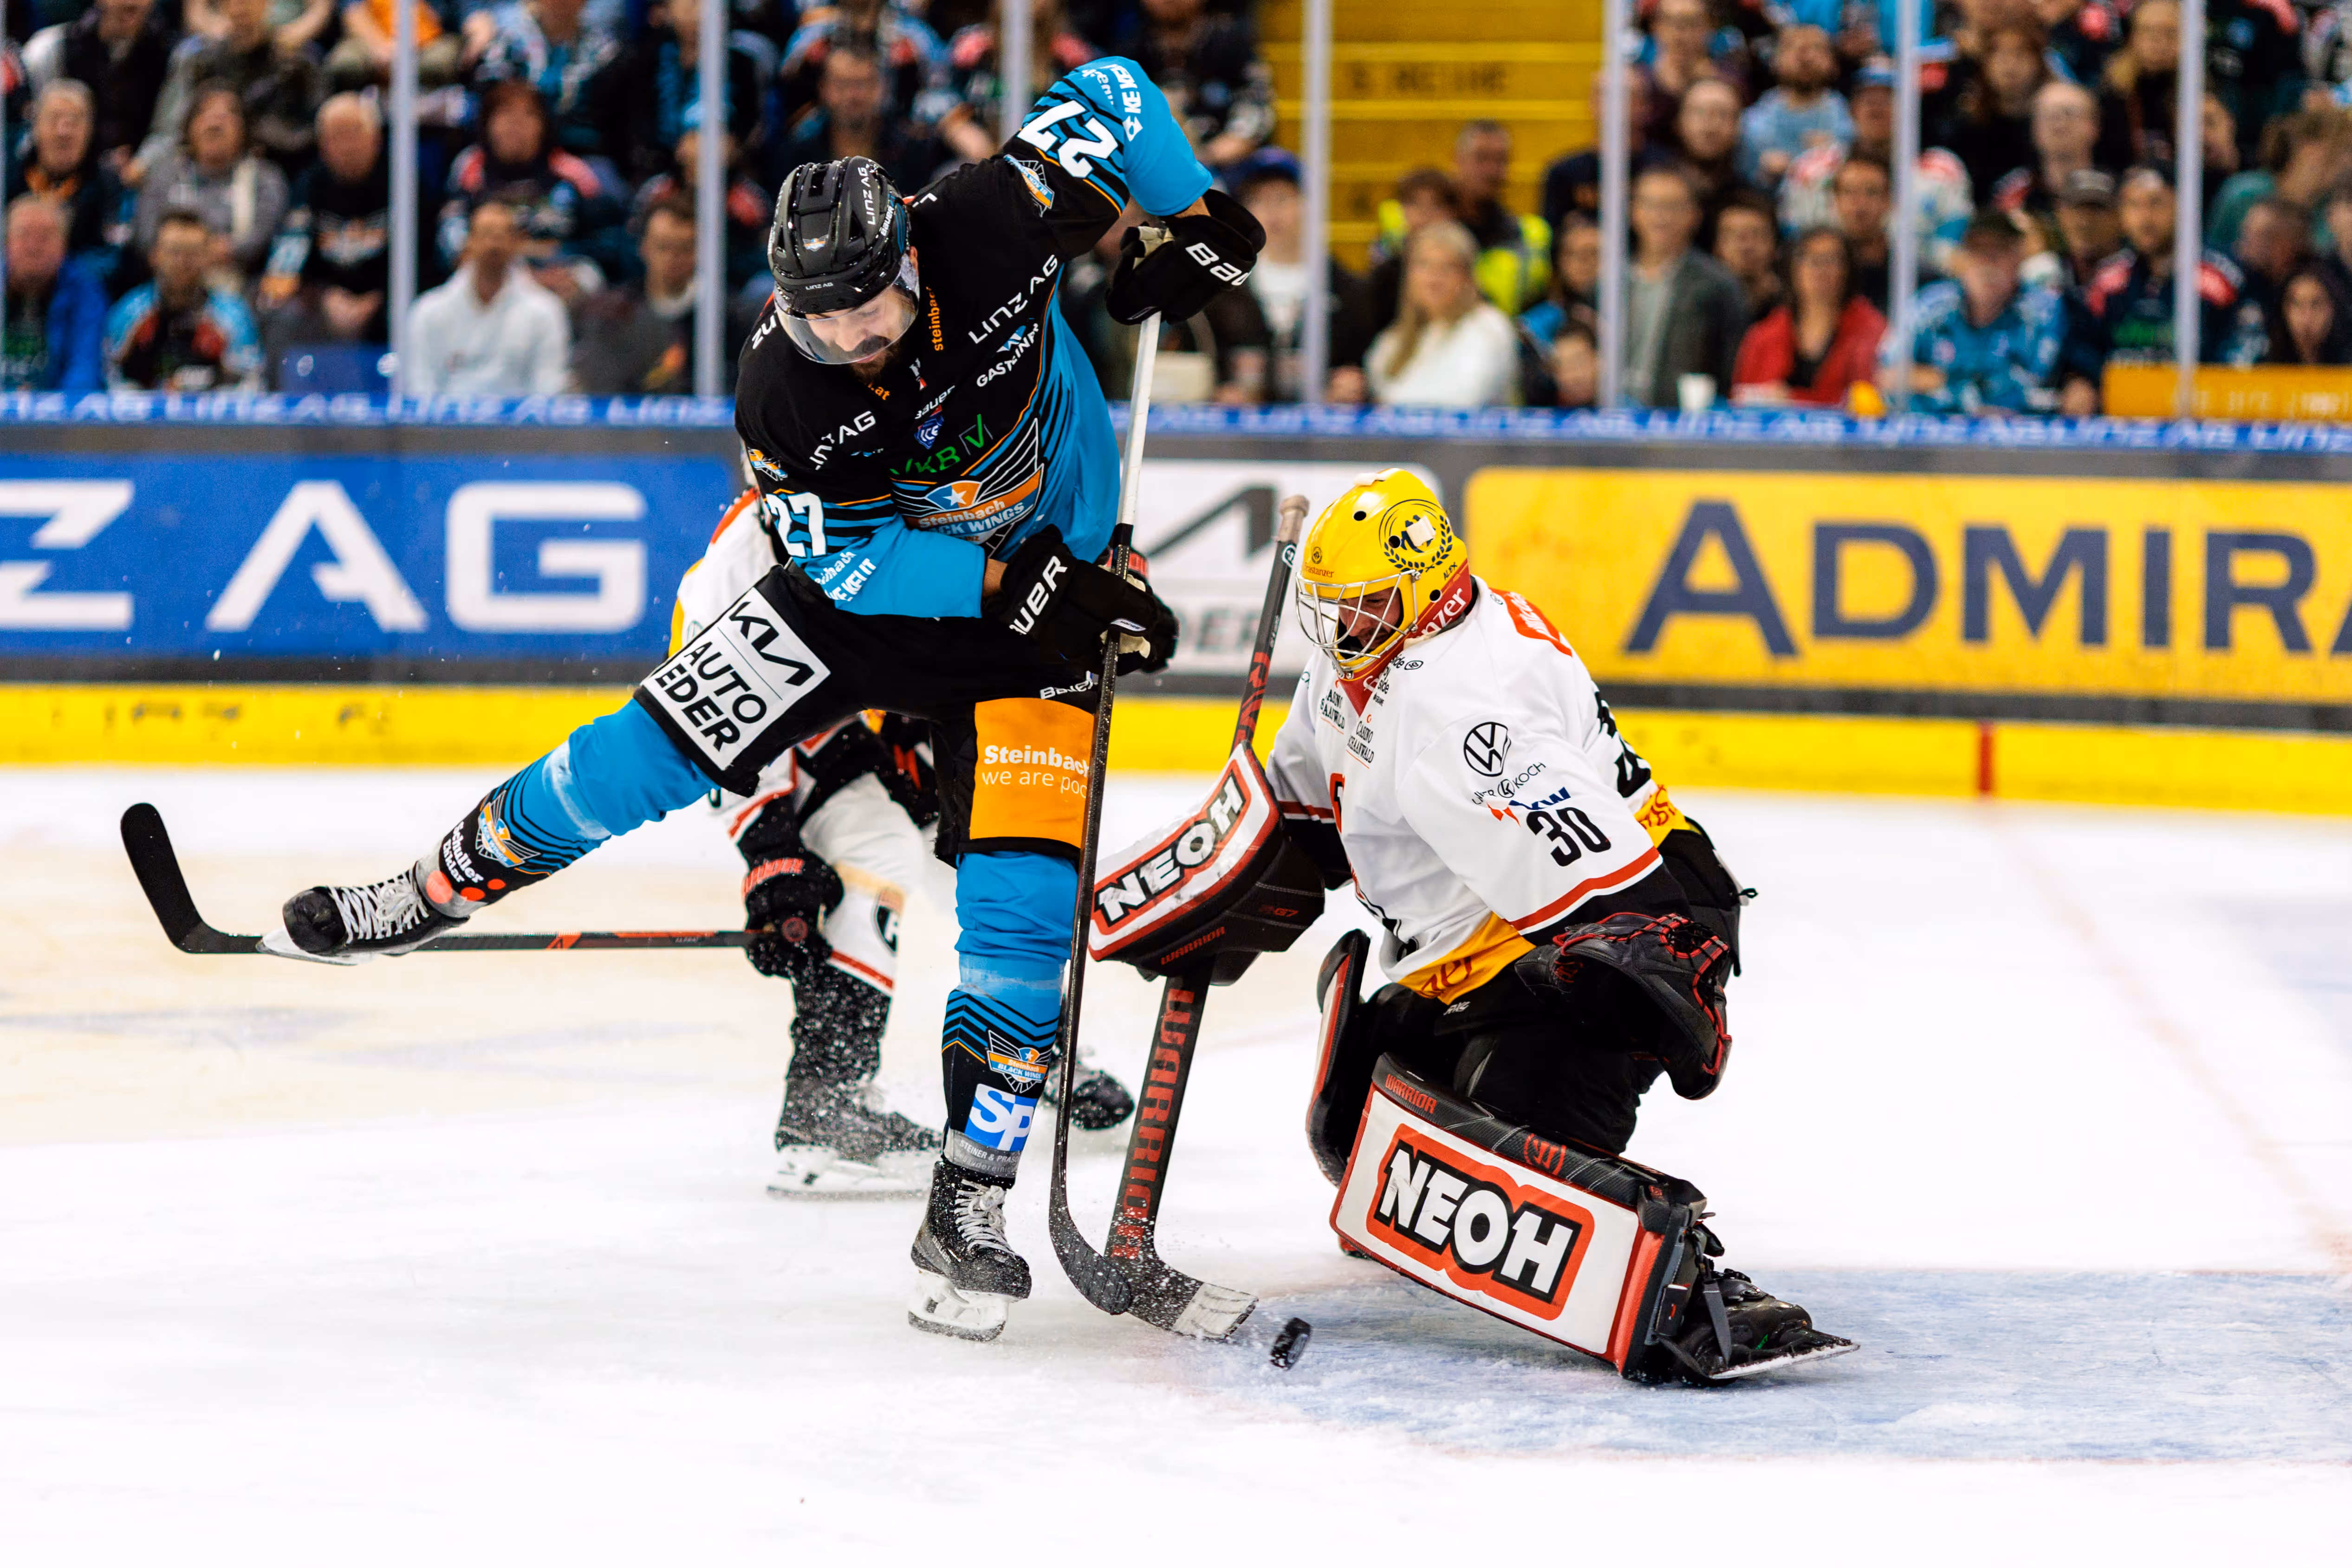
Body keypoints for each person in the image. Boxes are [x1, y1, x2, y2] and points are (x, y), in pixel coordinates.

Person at [268, 59, 1254, 1345]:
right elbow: (853, 563)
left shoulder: (992, 218)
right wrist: (1024, 585)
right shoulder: (783, 394)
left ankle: (966, 1199)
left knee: (1022, 912)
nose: (853, 344)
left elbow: (1119, 96)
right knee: (643, 754)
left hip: (1040, 609)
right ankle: (433, 890)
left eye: (869, 312)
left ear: (910, 253)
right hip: (888, 604)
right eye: (821, 324)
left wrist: (1196, 215)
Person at [1273, 469, 1852, 1385]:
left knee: (1498, 1157)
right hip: (1480, 945)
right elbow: (1294, 823)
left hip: (1615, 922)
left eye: (1368, 605)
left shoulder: (1466, 695)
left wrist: (1647, 982)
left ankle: (1679, 1280)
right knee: (1359, 1140)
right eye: (1335, 608)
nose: (1346, 628)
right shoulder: (1360, 667)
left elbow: (1609, 872)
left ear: (1425, 594)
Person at [2059, 165, 2270, 413]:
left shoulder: (2222, 280)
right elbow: (2083, 350)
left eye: (2156, 204)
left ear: (2184, 206)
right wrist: (2079, 381)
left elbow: (2243, 358)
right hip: (2121, 427)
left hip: (2200, 426)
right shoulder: (2107, 283)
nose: (2145, 218)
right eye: (2134, 206)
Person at [440, 79, 629, 306]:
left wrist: (572, 273)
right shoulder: (470, 169)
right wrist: (521, 278)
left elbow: (607, 244)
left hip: (561, 284)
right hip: (490, 283)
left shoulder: (574, 174)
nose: (515, 124)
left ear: (544, 125)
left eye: (528, 115)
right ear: (487, 124)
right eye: (505, 114)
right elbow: (451, 241)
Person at [1780, 57, 1974, 275]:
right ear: (1852, 109)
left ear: (1909, 110)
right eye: (1867, 98)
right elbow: (1794, 243)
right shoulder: (1810, 170)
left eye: (1888, 98)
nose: (1876, 106)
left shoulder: (1943, 171)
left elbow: (1952, 252)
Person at [1230, 147, 1376, 404]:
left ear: (1308, 205)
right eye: (1259, 200)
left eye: (1283, 198)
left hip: (1325, 435)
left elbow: (1365, 363)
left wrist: (1353, 386)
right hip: (1242, 437)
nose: (1272, 212)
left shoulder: (1347, 289)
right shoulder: (1224, 289)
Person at [259, 93, 392, 368]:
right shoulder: (307, 187)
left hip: (386, 296)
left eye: (355, 133)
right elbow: (288, 258)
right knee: (278, 312)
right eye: (336, 136)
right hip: (326, 299)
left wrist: (378, 298)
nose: (347, 145)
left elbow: (424, 256)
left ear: (376, 139)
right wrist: (324, 296)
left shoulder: (404, 182)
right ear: (322, 145)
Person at [1887, 211, 2065, 416]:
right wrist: (1967, 386)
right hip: (1933, 440)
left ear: (2018, 258)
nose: (1988, 263)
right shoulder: (1929, 306)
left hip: (2018, 442)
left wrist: (1937, 380)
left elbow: (2028, 392)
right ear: (1962, 258)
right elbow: (1889, 376)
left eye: (2000, 251)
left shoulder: (2043, 312)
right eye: (1979, 251)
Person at [139, 0, 323, 176]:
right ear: (221, 7)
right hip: (212, 165)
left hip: (281, 164)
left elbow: (310, 129)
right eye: (231, 1)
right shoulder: (204, 62)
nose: (240, 7)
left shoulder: (297, 63)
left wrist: (253, 136)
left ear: (268, 4)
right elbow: (180, 124)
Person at [594, 0, 769, 185]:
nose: (698, 12)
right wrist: (673, 171)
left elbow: (753, 129)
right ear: (668, 9)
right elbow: (636, 137)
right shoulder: (643, 64)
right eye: (690, 3)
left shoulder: (741, 63)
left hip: (730, 177)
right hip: (659, 175)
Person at [406, 200, 571, 394]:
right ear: (469, 242)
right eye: (485, 235)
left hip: (521, 423)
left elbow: (548, 387)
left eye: (502, 236)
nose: (493, 244)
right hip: (448, 423)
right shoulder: (428, 312)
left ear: (516, 243)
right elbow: (421, 387)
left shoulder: (545, 311)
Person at [133, 85, 290, 285]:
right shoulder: (162, 174)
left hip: (241, 285)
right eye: (204, 113)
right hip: (165, 284)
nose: (215, 122)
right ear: (189, 127)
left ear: (244, 129)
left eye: (228, 115)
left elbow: (264, 237)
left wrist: (215, 251)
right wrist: (188, 254)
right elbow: (146, 237)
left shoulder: (267, 178)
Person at [1620, 164, 1747, 409]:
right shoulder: (1609, 281)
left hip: (1681, 424)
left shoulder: (1718, 285)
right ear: (1633, 211)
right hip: (1612, 422)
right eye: (1650, 204)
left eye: (1673, 207)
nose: (1660, 216)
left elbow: (1731, 366)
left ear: (1694, 215)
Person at [103, 207, 264, 390]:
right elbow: (111, 380)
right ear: (154, 256)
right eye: (174, 252)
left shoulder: (233, 316)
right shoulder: (129, 313)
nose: (182, 262)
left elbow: (250, 384)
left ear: (208, 257)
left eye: (193, 253)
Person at [1364, 220, 1520, 408]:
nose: (1434, 276)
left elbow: (1465, 398)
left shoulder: (1489, 327)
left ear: (1467, 277)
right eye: (1424, 265)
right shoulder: (1392, 340)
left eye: (1447, 267)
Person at [21, 0, 175, 180]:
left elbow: (169, 130)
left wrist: (143, 163)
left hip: (143, 177)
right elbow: (39, 125)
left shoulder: (171, 54)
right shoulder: (52, 49)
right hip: (72, 176)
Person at [772, 39, 946, 196]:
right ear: (823, 90)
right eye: (842, 84)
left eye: (863, 84)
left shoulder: (911, 151)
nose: (852, 96)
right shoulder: (798, 156)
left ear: (882, 88)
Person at [1733, 226, 1885, 406]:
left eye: (1832, 260)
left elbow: (1875, 398)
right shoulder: (1764, 334)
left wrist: (1791, 399)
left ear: (1848, 269)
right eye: (1809, 259)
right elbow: (1741, 398)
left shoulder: (1872, 330)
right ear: (1792, 268)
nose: (1821, 270)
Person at [3, 80, 131, 291]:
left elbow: (114, 255)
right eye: (54, 119)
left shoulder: (109, 183)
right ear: (35, 126)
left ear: (90, 131)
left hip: (79, 291)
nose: (64, 131)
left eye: (75, 122)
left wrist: (55, 267)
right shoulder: (8, 174)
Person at [937, 0, 1099, 165]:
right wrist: (958, 127)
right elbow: (936, 100)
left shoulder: (1072, 58)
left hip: (1047, 165)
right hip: (977, 160)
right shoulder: (972, 51)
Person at [569, 194, 702, 394]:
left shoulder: (723, 316)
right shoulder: (611, 314)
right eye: (663, 247)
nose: (674, 258)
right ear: (644, 247)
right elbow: (602, 387)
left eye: (685, 248)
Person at [1123, 0, 1275, 169]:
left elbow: (1257, 102)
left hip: (1225, 163)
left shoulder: (1231, 42)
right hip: (1154, 166)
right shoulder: (1130, 50)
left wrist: (1231, 143)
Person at [466, 0, 619, 158]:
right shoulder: (508, 42)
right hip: (513, 154)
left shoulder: (606, 51)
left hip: (586, 155)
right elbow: (488, 106)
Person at [779, 0, 954, 137]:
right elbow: (787, 85)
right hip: (828, 128)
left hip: (898, 130)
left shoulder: (915, 36)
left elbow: (939, 86)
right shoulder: (814, 35)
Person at [2205, 109, 2352, 256]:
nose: (2346, 163)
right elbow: (2211, 258)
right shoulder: (2243, 193)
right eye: (2343, 150)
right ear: (2310, 148)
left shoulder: (2332, 213)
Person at [1935, 16, 2050, 203]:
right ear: (1985, 65)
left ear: (2038, 64)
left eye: (2021, 54)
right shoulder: (1965, 129)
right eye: (2000, 55)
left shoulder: (2051, 128)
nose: (2010, 65)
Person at [2, 194, 108, 391]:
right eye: (24, 235)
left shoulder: (86, 293)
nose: (33, 247)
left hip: (55, 416)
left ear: (64, 246)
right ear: (6, 243)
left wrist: (45, 412)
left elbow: (85, 369)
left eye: (44, 237)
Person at [1445, 120, 1552, 315]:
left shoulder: (1527, 237)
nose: (1492, 170)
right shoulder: (1428, 232)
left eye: (1501, 160)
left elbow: (1539, 310)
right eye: (1481, 158)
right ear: (1457, 160)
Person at [1541, 69, 1664, 237]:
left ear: (1645, 107)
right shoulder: (1563, 173)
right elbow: (1553, 241)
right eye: (1606, 96)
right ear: (1591, 103)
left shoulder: (1664, 168)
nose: (1615, 105)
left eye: (1627, 96)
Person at [1993, 78, 2100, 254]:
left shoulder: (2119, 193)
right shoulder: (2012, 195)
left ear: (2094, 126)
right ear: (2034, 129)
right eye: (2048, 116)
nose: (2059, 125)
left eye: (2069, 114)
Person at [1737, 23, 1851, 189]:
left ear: (1834, 63)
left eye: (1816, 48)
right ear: (1775, 62)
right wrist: (1763, 171)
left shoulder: (1850, 120)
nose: (1804, 56)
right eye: (1792, 47)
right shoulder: (1753, 124)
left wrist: (1836, 154)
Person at [1366, 167, 1462, 333]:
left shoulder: (1465, 271)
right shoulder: (1384, 277)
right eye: (1415, 204)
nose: (1426, 214)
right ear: (1402, 211)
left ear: (1452, 213)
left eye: (1437, 205)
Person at [2095, 0, 2181, 171]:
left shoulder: (2199, 89)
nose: (2158, 41)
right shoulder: (2114, 91)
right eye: (2148, 31)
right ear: (2133, 37)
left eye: (2169, 32)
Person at [1672, 78, 1748, 240]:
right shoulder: (1654, 186)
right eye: (1699, 112)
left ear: (1738, 127)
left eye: (1722, 115)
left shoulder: (1747, 199)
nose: (1710, 126)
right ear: (1678, 122)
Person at [328, 0, 463, 91]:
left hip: (429, 39)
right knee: (347, 64)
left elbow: (451, 12)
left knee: (436, 64)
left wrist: (409, 43)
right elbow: (352, 11)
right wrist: (380, 45)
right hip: (370, 37)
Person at [1520, 213, 1598, 347]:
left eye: (1594, 253)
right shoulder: (1538, 323)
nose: (1585, 262)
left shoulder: (1626, 311)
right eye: (1573, 253)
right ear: (1559, 262)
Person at [2049, 167, 2125, 287]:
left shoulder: (2139, 279)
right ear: (2060, 215)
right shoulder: (2045, 277)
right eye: (2077, 211)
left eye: (2096, 211)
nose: (2084, 223)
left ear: (2121, 218)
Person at [1714, 191, 1782, 325]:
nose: (1745, 247)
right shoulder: (1704, 308)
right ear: (1717, 247)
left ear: (1775, 245)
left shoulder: (1792, 307)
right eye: (1734, 235)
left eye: (1756, 235)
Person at [2266, 262, 2352, 364]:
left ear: (2333, 309)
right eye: (2297, 304)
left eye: (2316, 304)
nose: (2307, 318)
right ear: (2284, 309)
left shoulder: (2348, 367)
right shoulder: (2265, 366)